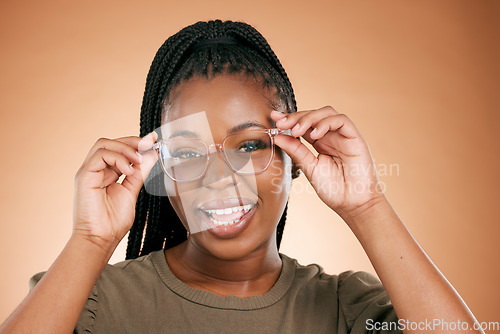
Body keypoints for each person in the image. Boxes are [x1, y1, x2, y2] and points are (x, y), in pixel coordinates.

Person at [0, 19, 482, 334]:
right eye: (188, 153)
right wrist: (88, 240)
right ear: (160, 167)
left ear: (295, 152)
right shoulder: (90, 302)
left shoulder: (347, 308)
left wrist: (367, 205)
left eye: (250, 145)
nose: (218, 177)